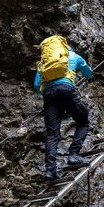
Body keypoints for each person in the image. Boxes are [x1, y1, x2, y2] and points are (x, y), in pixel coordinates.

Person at [33, 35, 94, 181]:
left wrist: (50, 92)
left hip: (49, 94)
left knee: (52, 134)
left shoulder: (45, 62)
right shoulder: (73, 56)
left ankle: (50, 170)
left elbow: (36, 85)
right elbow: (88, 72)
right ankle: (73, 155)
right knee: (83, 121)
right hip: (66, 89)